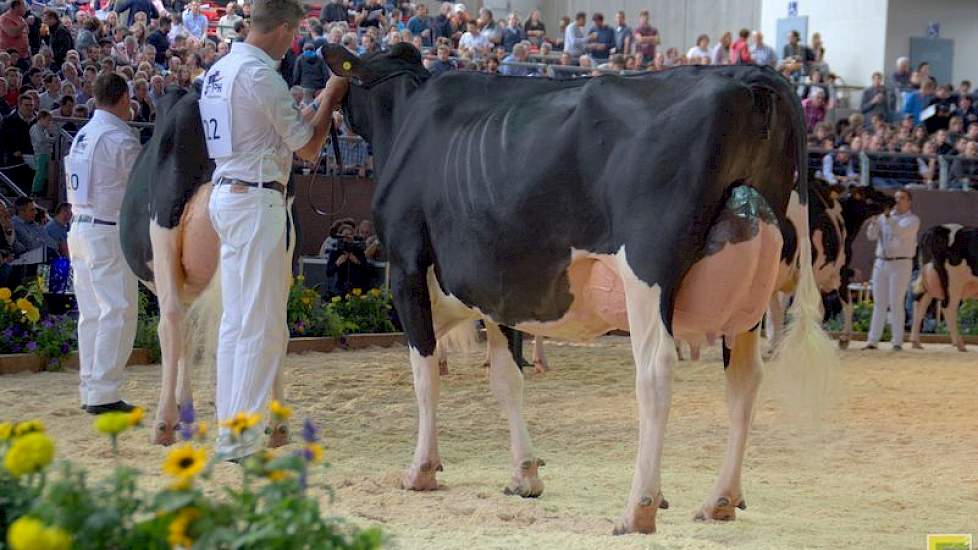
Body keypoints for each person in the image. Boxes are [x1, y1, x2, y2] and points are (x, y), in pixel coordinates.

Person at [202, 0, 346, 461]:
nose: (294, 41)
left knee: (236, 321)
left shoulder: (221, 69)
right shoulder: (261, 74)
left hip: (228, 190)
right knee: (260, 325)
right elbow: (307, 148)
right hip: (255, 198)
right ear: (283, 29)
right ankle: (240, 437)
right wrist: (330, 96)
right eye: (295, 32)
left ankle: (231, 428)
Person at [63, 73, 142, 414]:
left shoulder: (83, 135)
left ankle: (92, 387)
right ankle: (103, 392)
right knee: (118, 310)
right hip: (107, 230)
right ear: (124, 99)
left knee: (92, 313)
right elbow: (141, 189)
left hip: (79, 227)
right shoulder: (120, 140)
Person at [864, 189, 920, 351]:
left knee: (896, 302)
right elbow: (871, 236)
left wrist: (886, 217)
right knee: (879, 303)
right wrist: (874, 222)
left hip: (901, 264)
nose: (898, 201)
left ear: (909, 202)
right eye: (896, 198)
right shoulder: (883, 217)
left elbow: (899, 231)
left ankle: (897, 341)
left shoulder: (912, 220)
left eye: (902, 198)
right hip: (881, 262)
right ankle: (873, 340)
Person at [29, 109, 56, 195]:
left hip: (46, 153)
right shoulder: (35, 128)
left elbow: (46, 139)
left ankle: (41, 190)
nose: (49, 122)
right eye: (48, 120)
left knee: (45, 174)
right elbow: (41, 140)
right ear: (41, 119)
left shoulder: (44, 130)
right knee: (39, 173)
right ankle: (35, 191)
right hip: (40, 153)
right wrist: (52, 139)